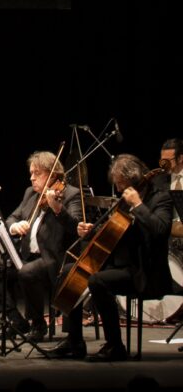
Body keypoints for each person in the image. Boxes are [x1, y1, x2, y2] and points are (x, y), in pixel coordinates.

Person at [50, 154, 172, 361]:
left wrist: (138, 205)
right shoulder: (125, 202)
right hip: (120, 264)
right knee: (70, 270)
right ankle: (74, 340)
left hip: (143, 270)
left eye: (121, 185)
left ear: (134, 182)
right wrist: (90, 231)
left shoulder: (160, 198)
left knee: (98, 281)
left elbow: (160, 230)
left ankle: (115, 346)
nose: (118, 190)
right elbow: (113, 233)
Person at [0, 150, 81, 341]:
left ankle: (38, 324)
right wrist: (15, 226)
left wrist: (58, 209)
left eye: (37, 173)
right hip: (25, 255)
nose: (31, 178)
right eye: (31, 173)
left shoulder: (70, 194)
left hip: (52, 258)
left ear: (53, 175)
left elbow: (77, 228)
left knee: (27, 272)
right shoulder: (30, 194)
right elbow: (11, 218)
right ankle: (16, 320)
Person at [157, 138, 183, 323]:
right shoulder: (160, 180)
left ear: (181, 158)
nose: (164, 165)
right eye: (161, 160)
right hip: (167, 232)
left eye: (168, 161)